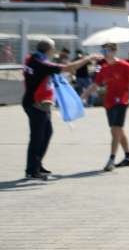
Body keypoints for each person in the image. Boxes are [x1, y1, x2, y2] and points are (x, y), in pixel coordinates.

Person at [21, 39, 96, 180]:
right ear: (49, 50)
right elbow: (69, 68)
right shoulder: (42, 64)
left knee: (47, 133)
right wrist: (88, 58)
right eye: (53, 49)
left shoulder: (32, 59)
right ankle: (31, 170)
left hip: (41, 103)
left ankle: (37, 164)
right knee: (37, 137)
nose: (54, 51)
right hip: (36, 104)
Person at [83, 43, 129, 171]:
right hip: (109, 102)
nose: (104, 53)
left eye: (106, 50)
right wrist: (82, 97)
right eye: (103, 50)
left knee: (116, 130)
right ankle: (128, 157)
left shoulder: (124, 66)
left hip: (121, 101)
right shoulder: (102, 67)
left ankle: (111, 159)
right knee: (117, 131)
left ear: (114, 51)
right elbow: (95, 85)